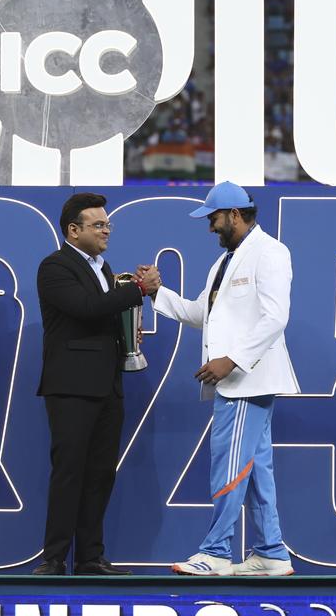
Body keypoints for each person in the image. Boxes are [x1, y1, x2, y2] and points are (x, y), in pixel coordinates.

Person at [139, 181, 298, 577]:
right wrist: (158, 293)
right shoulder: (224, 262)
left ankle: (215, 552)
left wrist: (233, 361)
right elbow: (201, 314)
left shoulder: (271, 252)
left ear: (235, 215)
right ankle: (271, 554)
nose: (211, 227)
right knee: (256, 468)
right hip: (239, 380)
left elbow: (276, 317)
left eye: (214, 219)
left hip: (248, 380)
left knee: (229, 465)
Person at [33, 192, 161, 576]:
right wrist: (137, 290)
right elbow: (85, 310)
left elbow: (106, 317)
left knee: (101, 473)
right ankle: (53, 559)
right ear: (73, 230)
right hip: (72, 386)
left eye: (107, 224)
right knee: (70, 471)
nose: (107, 230)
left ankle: (90, 558)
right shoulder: (55, 266)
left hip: (107, 385)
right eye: (98, 224)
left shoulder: (104, 270)